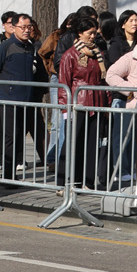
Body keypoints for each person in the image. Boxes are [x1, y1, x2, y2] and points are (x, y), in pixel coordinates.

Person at [0, 13, 44, 180]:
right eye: (23, 27)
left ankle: (14, 171)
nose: (26, 30)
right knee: (9, 138)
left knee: (19, 137)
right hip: (8, 100)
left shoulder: (31, 47)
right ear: (14, 28)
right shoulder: (4, 48)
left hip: (27, 101)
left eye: (29, 27)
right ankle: (8, 175)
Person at [58, 13, 110, 188]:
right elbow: (64, 82)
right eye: (89, 33)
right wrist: (65, 109)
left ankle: (88, 181)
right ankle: (66, 181)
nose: (92, 36)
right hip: (77, 103)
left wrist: (108, 103)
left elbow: (104, 80)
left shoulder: (98, 54)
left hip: (97, 102)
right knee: (73, 143)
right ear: (79, 33)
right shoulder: (70, 55)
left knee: (92, 144)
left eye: (94, 32)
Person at [104, 20, 137, 187]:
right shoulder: (125, 52)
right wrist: (131, 89)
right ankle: (121, 169)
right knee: (123, 136)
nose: (135, 23)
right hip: (129, 101)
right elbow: (111, 74)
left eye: (136, 20)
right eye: (131, 20)